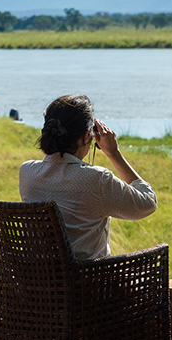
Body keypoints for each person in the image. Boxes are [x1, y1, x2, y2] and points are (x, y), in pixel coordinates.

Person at [19, 94, 157, 260]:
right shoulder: (96, 179)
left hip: (39, 281)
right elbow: (147, 203)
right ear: (86, 136)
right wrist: (113, 153)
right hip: (88, 283)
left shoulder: (27, 172)